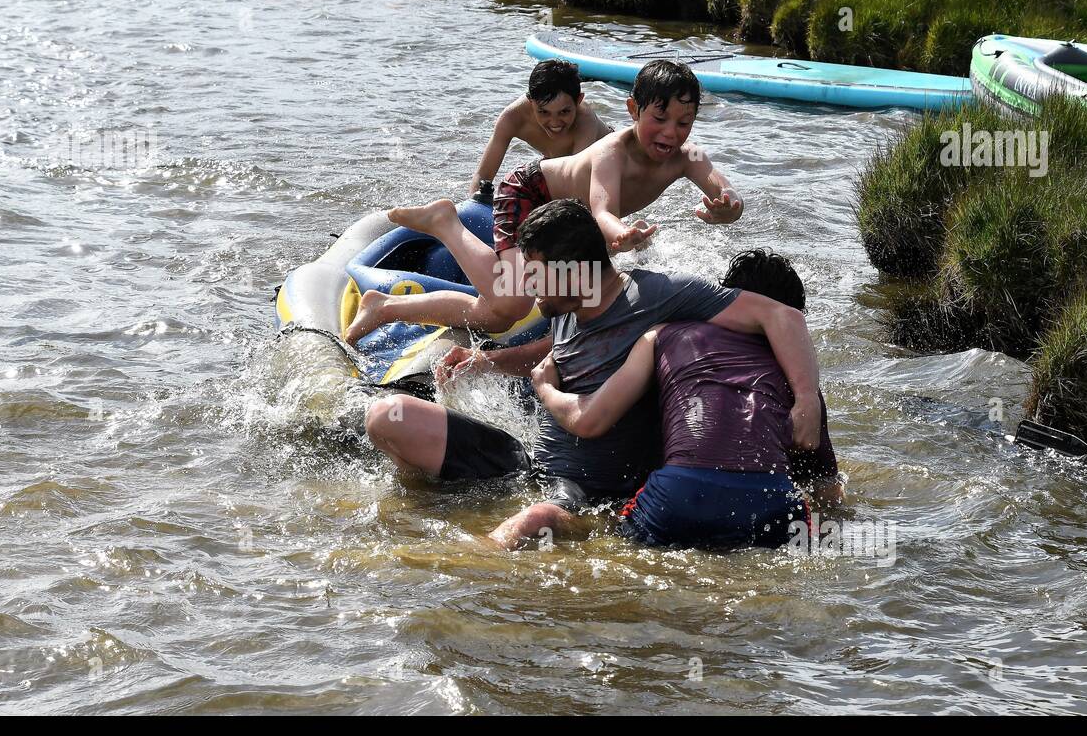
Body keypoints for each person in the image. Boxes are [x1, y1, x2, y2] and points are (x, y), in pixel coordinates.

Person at [361, 200, 821, 550]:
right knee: (389, 416)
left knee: (530, 522)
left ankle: (461, 570)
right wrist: (488, 361)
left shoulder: (657, 295)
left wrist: (803, 404)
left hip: (595, 493)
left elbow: (783, 317)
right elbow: (553, 352)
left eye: (536, 274)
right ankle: (428, 510)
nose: (527, 286)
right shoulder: (564, 306)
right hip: (530, 467)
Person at [344, 60, 743, 345]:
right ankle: (446, 223)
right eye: (660, 118)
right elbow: (602, 209)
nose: (671, 133)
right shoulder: (612, 151)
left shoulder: (686, 156)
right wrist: (621, 234)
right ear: (633, 109)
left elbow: (725, 192)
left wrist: (727, 207)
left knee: (495, 314)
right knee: (513, 300)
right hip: (529, 193)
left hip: (568, 222)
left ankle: (384, 307)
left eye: (684, 122)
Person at [530, 249, 840, 549]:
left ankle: (556, 521)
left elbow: (611, 417)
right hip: (770, 506)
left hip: (678, 497)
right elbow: (825, 487)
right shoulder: (803, 384)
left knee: (606, 532)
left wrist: (545, 388)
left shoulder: (667, 337)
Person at [466, 58, 610, 197]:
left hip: (608, 169)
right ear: (531, 101)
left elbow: (575, 183)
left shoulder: (585, 121)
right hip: (562, 165)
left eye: (564, 112)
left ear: (579, 100)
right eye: (543, 112)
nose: (554, 122)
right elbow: (482, 176)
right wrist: (476, 205)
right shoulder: (512, 118)